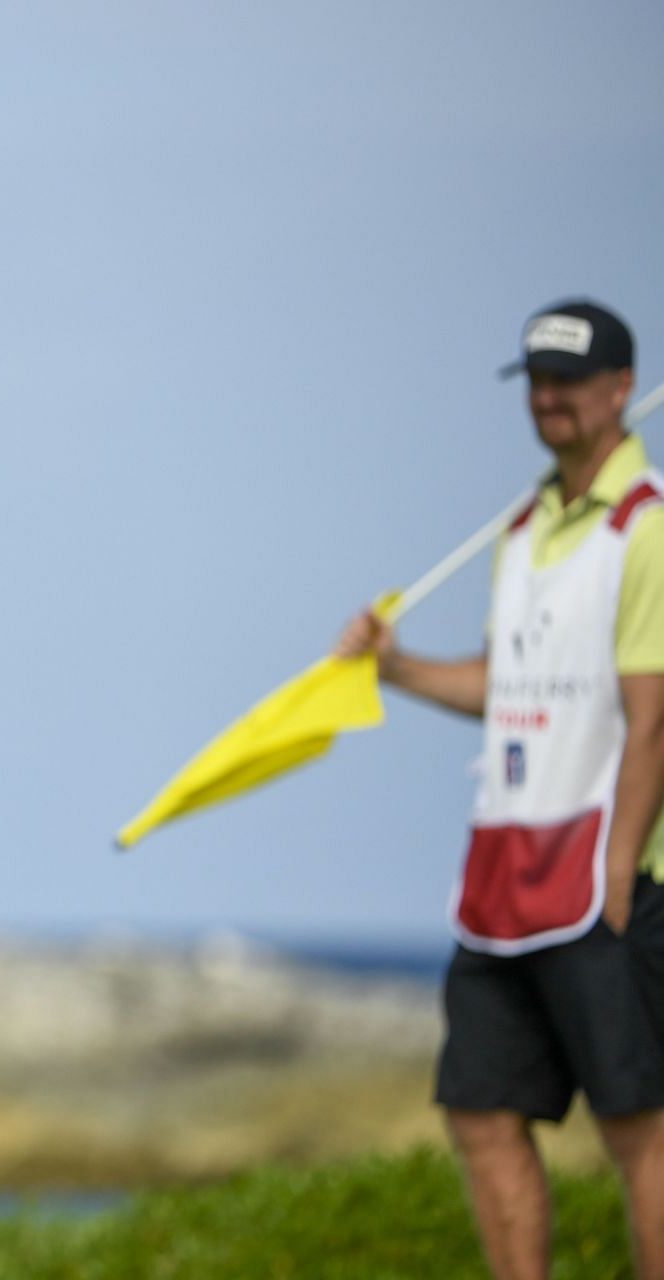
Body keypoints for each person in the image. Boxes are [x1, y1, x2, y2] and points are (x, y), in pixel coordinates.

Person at [337, 300, 664, 1280]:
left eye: (570, 379)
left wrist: (616, 874)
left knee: (638, 1126)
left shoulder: (645, 528)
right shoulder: (519, 530)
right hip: (506, 880)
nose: (550, 397)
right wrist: (394, 669)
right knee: (480, 1109)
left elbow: (654, 716)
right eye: (537, 379)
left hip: (609, 879)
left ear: (620, 388)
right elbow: (504, 684)